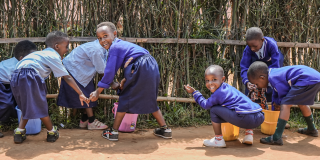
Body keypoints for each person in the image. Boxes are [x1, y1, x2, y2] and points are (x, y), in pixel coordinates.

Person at [89, 22, 172, 141]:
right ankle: (165, 130)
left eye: (105, 36)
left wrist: (98, 91)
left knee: (125, 98)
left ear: (115, 34)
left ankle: (113, 132)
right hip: (151, 66)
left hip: (140, 66)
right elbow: (134, 62)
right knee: (149, 98)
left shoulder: (115, 47)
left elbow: (109, 73)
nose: (102, 40)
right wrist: (125, 79)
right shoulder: (122, 45)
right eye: (99, 38)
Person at [11, 31, 89, 144]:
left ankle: (19, 132)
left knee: (26, 105)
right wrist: (80, 93)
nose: (67, 50)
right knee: (41, 107)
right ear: (57, 46)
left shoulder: (39, 54)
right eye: (66, 46)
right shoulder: (53, 55)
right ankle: (52, 132)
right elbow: (67, 77)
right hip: (31, 76)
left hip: (16, 76)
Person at [184, 65, 265, 147]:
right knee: (243, 107)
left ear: (223, 79)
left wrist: (195, 93)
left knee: (214, 110)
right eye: (207, 80)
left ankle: (218, 140)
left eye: (214, 79)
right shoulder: (229, 88)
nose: (210, 83)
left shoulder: (219, 93)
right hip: (259, 116)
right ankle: (249, 135)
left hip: (245, 119)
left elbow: (205, 105)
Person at [247, 61, 319, 145]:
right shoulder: (274, 74)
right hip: (313, 78)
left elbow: (283, 93)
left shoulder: (274, 78)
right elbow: (276, 92)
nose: (257, 87)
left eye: (256, 84)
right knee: (301, 103)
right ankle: (312, 129)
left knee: (285, 104)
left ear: (262, 78)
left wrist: (278, 103)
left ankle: (276, 137)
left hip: (305, 79)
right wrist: (276, 103)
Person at [57, 39, 108, 130]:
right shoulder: (96, 49)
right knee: (86, 94)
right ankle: (91, 121)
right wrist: (109, 81)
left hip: (79, 70)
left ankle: (84, 120)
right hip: (75, 71)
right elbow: (101, 70)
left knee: (88, 92)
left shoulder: (99, 47)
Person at [0, 40, 37, 138]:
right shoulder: (16, 67)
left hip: (7, 82)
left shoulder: (21, 63)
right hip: (3, 83)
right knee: (6, 104)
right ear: (21, 58)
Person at [240, 27, 284, 108]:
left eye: (254, 46)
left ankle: (271, 107)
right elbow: (244, 68)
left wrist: (268, 82)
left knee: (271, 88)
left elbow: (276, 66)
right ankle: (253, 109)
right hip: (256, 67)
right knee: (252, 85)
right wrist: (247, 82)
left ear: (262, 40)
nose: (252, 49)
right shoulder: (248, 50)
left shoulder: (271, 45)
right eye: (250, 46)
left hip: (272, 68)